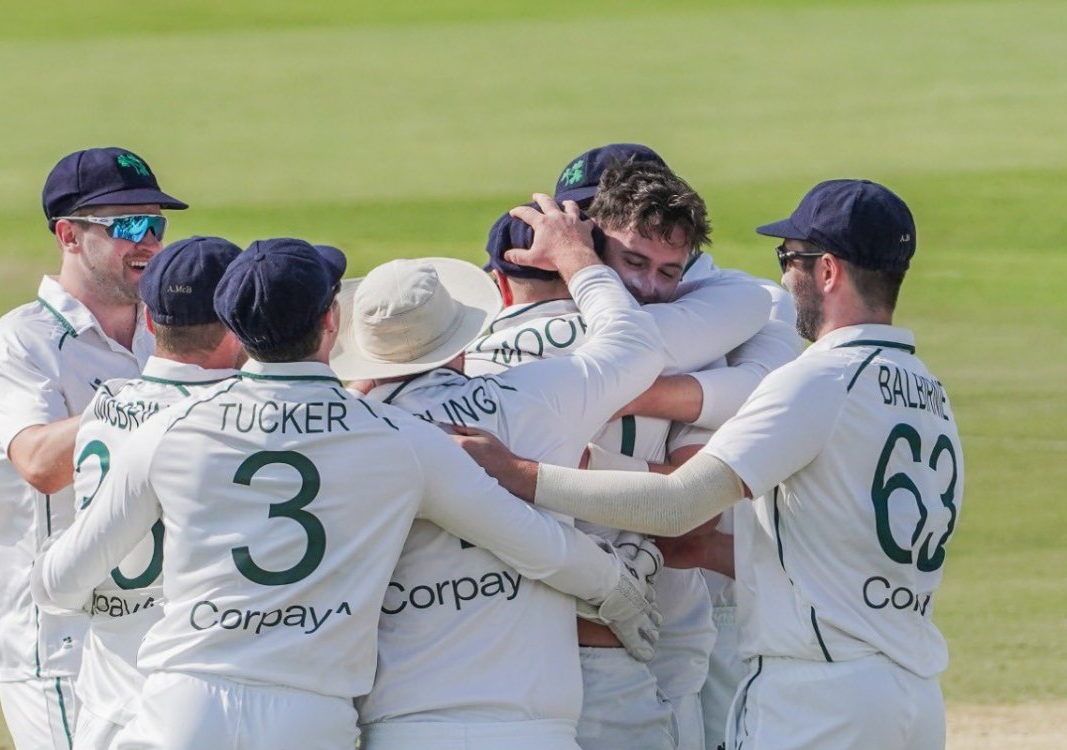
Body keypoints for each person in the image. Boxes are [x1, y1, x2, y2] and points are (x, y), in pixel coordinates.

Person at [31, 238, 660, 750]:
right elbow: (533, 544)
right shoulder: (400, 438)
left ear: (236, 329)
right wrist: (619, 591)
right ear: (331, 322)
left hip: (184, 705)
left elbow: (58, 581)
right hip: (311, 715)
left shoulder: (168, 431)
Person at [457, 179, 963, 750]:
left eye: (789, 258)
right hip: (913, 695)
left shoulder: (818, 379)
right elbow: (841, 550)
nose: (783, 278)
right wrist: (709, 551)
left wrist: (520, 472)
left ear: (827, 271)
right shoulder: (929, 392)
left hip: (820, 699)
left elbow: (676, 504)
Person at [468, 146, 801, 750]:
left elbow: (751, 399)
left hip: (669, 627)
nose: (646, 284)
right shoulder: (662, 322)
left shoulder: (714, 303)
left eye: (665, 266)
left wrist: (626, 392)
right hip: (557, 629)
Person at [331, 196, 667, 749]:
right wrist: (578, 259)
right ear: (461, 336)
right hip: (536, 722)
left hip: (402, 722)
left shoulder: (354, 437)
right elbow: (635, 343)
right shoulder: (534, 397)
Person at [0, 146, 186, 749]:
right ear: (69, 234)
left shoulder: (167, 333)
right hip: (59, 635)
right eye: (127, 226)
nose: (148, 241)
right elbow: (39, 463)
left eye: (157, 224)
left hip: (159, 622)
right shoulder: (23, 341)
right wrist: (145, 401)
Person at [69, 236, 244, 749]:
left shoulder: (106, 404)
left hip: (105, 701)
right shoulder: (233, 421)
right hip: (197, 696)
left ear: (150, 322)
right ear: (239, 327)